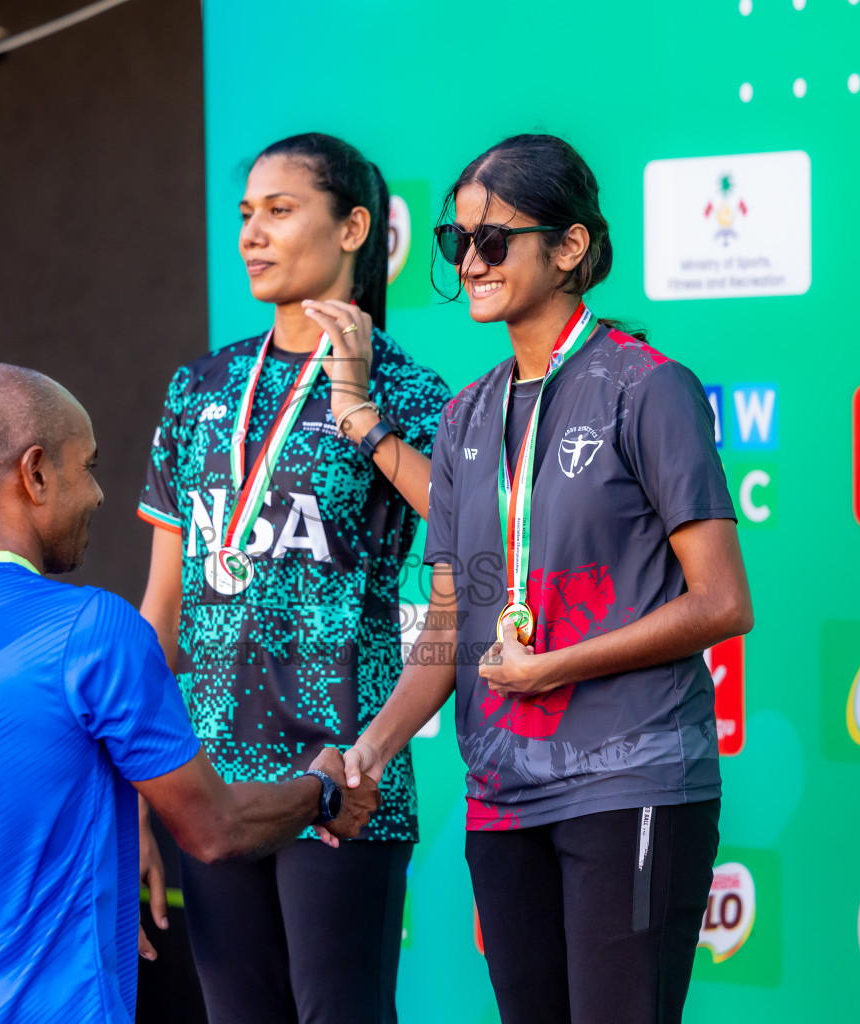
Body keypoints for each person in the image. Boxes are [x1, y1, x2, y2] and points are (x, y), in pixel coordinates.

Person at [342, 134, 754, 1024]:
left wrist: (557, 666)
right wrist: (370, 751)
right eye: (457, 244)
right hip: (501, 795)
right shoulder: (464, 417)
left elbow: (723, 600)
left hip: (631, 778)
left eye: (494, 240)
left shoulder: (647, 387)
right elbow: (447, 624)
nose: (472, 262)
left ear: (569, 248)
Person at [0, 364, 379, 1024]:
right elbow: (216, 828)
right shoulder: (93, 629)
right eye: (86, 466)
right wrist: (321, 793)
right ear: (34, 474)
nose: (97, 494)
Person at [135, 132, 449, 1024]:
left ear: (355, 228)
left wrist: (360, 414)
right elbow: (162, 606)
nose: (252, 236)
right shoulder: (197, 388)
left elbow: (481, 540)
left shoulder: (413, 393)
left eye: (280, 211)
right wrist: (131, 790)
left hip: (341, 769)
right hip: (207, 777)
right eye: (245, 216)